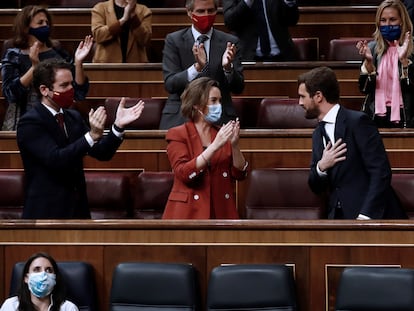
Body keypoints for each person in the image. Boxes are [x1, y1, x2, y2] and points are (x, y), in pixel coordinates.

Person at [16, 58, 145, 219]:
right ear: (44, 90)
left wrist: (118, 127)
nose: (71, 89)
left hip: (78, 210)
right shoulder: (30, 122)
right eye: (64, 86)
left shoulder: (73, 117)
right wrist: (91, 136)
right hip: (46, 212)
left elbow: (102, 153)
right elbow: (56, 159)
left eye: (71, 84)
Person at [298, 66, 407, 220]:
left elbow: (380, 172)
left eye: (303, 96)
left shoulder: (357, 122)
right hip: (339, 218)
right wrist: (321, 167)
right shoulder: (317, 134)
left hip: (371, 217)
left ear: (318, 96)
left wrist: (366, 215)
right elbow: (315, 186)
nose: (300, 102)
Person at [162, 77, 248, 219]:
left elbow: (240, 174)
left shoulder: (222, 133)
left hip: (221, 210)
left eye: (220, 101)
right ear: (196, 104)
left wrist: (234, 145)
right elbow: (183, 173)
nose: (218, 105)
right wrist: (214, 147)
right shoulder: (178, 134)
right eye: (213, 100)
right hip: (189, 213)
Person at [1, 5, 93, 131]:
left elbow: (79, 93)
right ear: (26, 27)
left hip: (58, 120)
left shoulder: (58, 53)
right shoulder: (14, 55)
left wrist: (78, 62)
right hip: (24, 121)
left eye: (47, 22)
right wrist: (34, 67)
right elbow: (10, 93)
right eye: (40, 23)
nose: (45, 26)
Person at [160, 0, 244, 130]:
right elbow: (170, 84)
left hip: (220, 117)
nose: (206, 15)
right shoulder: (174, 41)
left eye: (210, 11)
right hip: (180, 116)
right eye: (200, 11)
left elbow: (238, 88)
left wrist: (228, 69)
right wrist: (197, 68)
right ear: (189, 12)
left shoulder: (230, 42)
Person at [356, 0, 414, 128]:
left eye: (392, 19)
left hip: (406, 115)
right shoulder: (371, 49)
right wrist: (369, 63)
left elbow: (410, 88)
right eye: (383, 20)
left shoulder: (412, 51)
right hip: (375, 116)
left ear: (402, 21)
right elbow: (364, 89)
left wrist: (404, 62)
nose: (387, 24)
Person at [222, 0, 299, 61]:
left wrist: (289, 1)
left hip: (282, 57)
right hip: (249, 58)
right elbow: (230, 22)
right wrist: (247, 1)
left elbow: (292, 20)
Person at [0, 252, 78, 311]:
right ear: (26, 278)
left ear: (55, 278)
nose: (43, 275)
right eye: (37, 269)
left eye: (49, 270)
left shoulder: (68, 308)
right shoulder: (11, 306)